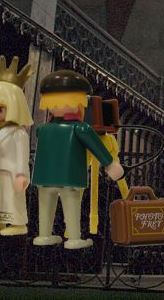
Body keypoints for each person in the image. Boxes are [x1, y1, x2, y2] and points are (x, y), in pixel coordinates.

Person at [32, 69, 124, 249]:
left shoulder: (43, 129)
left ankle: (44, 235)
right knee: (71, 205)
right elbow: (97, 148)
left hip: (44, 178)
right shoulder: (80, 128)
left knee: (46, 205)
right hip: (70, 177)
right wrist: (111, 165)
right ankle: (73, 238)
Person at [0, 56, 33, 236]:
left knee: (13, 199)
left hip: (11, 171)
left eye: (0, 109)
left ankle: (18, 223)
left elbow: (22, 157)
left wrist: (21, 175)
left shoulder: (18, 133)